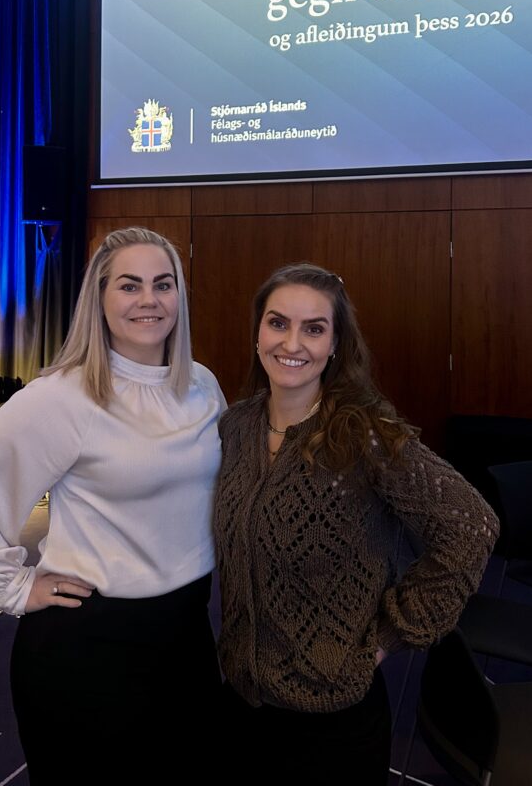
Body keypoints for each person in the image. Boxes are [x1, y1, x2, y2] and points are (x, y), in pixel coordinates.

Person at [0, 227, 225, 782]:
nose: (149, 300)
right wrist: (12, 587)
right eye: (129, 286)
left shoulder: (202, 386)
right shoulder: (66, 395)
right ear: (100, 299)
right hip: (89, 652)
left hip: (186, 636)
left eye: (163, 284)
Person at [214, 263, 498, 781]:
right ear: (258, 333)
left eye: (313, 328)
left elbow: (471, 526)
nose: (291, 343)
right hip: (240, 702)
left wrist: (389, 637)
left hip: (332, 717)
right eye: (278, 323)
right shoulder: (236, 426)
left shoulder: (362, 434)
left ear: (335, 345)